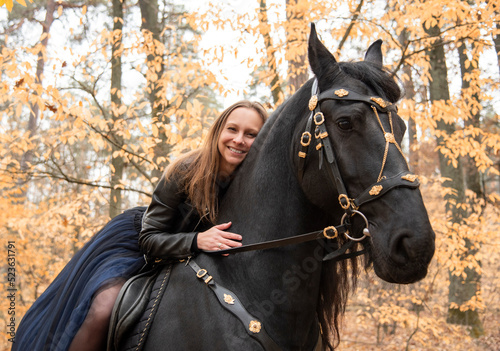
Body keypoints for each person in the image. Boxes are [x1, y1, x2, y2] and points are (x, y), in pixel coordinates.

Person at [13, 101, 268, 351]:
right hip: (139, 243)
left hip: (192, 257)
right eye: (232, 129)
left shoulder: (255, 182)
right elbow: (150, 239)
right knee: (104, 308)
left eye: (251, 134)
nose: (239, 140)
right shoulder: (184, 171)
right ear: (218, 131)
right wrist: (197, 241)